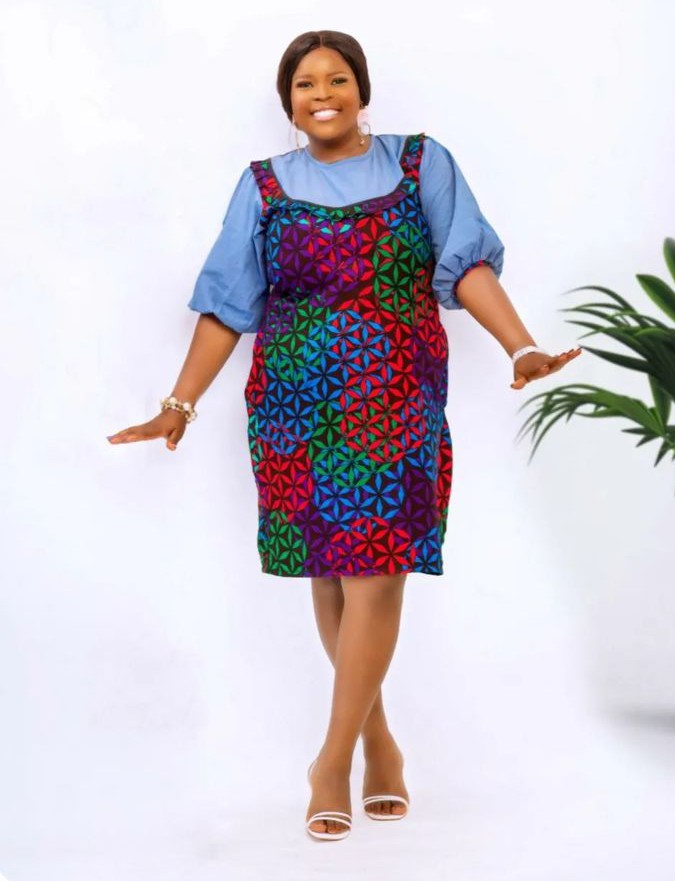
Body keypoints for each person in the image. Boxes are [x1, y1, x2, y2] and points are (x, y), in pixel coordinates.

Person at [107, 30, 582, 841]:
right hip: (295, 402)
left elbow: (466, 265)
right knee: (331, 569)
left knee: (378, 570)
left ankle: (330, 761)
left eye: (336, 79)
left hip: (396, 396)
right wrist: (178, 404)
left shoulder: (420, 164)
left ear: (362, 90)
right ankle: (378, 739)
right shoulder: (262, 185)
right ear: (287, 103)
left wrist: (520, 346)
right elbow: (228, 302)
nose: (321, 94)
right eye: (304, 84)